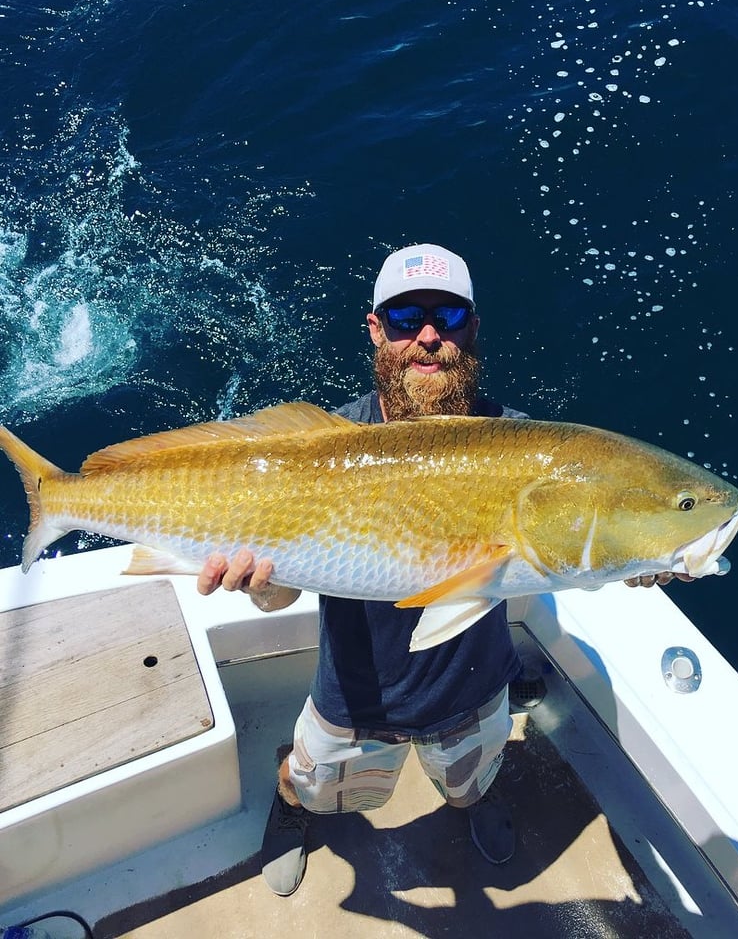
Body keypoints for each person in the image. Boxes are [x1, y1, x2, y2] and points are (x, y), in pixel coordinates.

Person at [197, 243, 691, 897]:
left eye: (448, 318)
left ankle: (472, 801)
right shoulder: (324, 445)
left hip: (476, 687)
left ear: (472, 329)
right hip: (355, 696)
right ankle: (292, 807)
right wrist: (261, 587)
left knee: (470, 778)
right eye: (406, 319)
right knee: (312, 781)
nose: (429, 337)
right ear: (376, 329)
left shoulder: (524, 443)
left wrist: (639, 555)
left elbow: (579, 532)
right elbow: (285, 582)